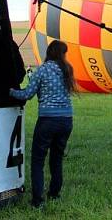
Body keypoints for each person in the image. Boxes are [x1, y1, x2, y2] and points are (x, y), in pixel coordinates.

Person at [10, 40, 75, 209]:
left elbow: (27, 94)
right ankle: (54, 193)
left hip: (47, 120)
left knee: (38, 160)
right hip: (67, 120)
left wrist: (9, 91)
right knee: (57, 158)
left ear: (49, 52)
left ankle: (37, 200)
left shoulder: (42, 70)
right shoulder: (67, 70)